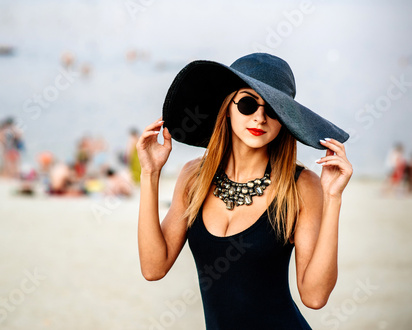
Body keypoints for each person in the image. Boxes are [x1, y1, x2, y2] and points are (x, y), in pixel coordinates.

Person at [137, 53, 353, 329]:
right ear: (227, 107)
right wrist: (150, 173)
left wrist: (333, 198)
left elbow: (315, 296)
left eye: (274, 109)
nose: (260, 118)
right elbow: (154, 268)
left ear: (285, 120)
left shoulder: (301, 185)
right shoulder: (193, 177)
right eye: (248, 104)